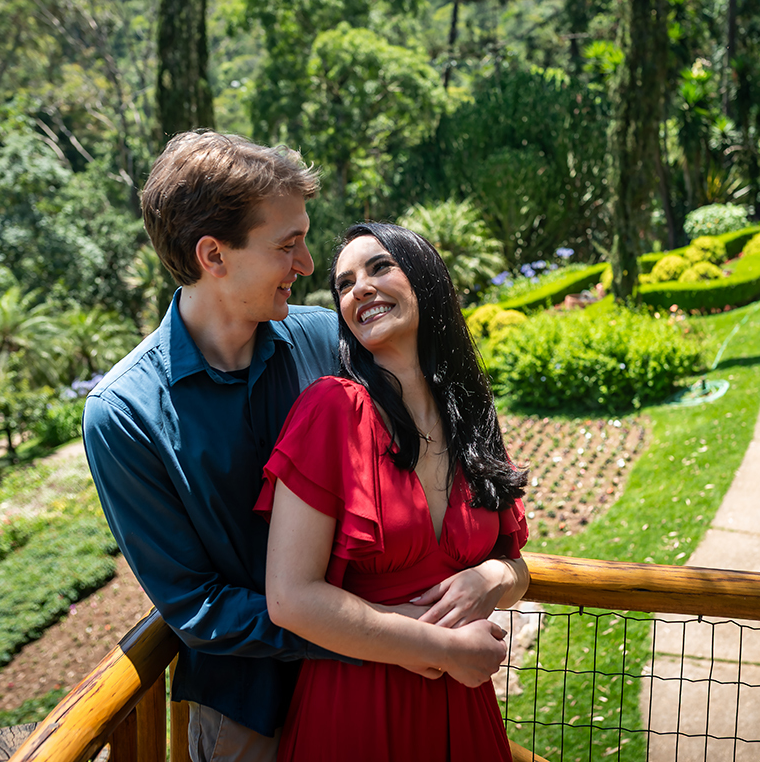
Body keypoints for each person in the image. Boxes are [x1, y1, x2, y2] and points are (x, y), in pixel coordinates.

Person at [83, 132, 518, 761]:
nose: (309, 265)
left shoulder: (325, 340)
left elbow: (428, 431)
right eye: (288, 245)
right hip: (249, 708)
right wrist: (394, 634)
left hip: (390, 684)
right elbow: (197, 606)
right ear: (214, 254)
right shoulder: (125, 414)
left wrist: (479, 581)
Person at [257, 222, 531, 761]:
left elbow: (516, 564)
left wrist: (490, 576)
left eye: (380, 267)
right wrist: (447, 645)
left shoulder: (471, 415)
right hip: (358, 707)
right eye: (344, 284)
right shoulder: (330, 410)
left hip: (463, 705)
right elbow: (290, 598)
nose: (359, 288)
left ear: (424, 278)